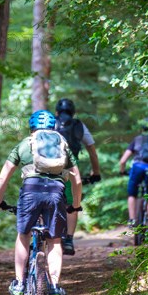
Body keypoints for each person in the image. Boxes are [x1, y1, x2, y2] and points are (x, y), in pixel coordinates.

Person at [0, 110, 83, 295]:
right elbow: (77, 180)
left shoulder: (25, 144)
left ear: (31, 127)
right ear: (53, 127)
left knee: (24, 235)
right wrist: (75, 205)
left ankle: (18, 283)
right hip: (56, 192)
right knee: (55, 241)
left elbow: (4, 176)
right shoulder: (62, 144)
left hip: (30, 191)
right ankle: (55, 286)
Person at [54, 98, 101, 255]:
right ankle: (68, 240)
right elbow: (92, 152)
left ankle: (42, 234)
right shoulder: (79, 125)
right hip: (70, 168)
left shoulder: (49, 123)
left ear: (56, 112)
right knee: (73, 203)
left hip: (48, 167)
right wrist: (96, 172)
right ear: (73, 112)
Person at [118, 118, 148, 227]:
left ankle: (132, 220)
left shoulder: (137, 139)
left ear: (142, 128)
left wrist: (122, 171)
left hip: (137, 167)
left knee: (132, 194)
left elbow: (123, 161)